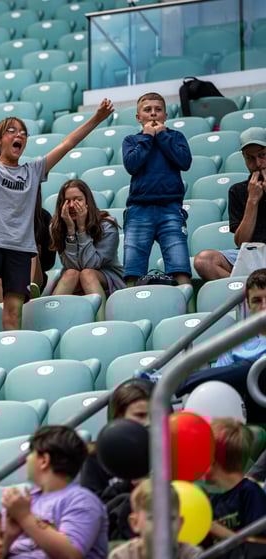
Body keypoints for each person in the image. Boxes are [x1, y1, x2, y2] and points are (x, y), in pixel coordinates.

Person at [0, 78, 113, 370]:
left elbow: (67, 143)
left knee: (13, 311)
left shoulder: (33, 170)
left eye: (24, 133)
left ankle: (12, 364)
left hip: (20, 249)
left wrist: (96, 118)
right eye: (12, 131)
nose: (20, 136)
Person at [175, 268, 266, 424]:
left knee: (255, 368)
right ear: (249, 306)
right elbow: (217, 381)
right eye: (257, 301)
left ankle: (176, 382)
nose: (264, 306)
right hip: (242, 414)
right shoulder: (236, 343)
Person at [2, 425, 108, 559]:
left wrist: (25, 517)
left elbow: (70, 555)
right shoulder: (23, 501)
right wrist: (9, 536)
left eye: (31, 454)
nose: (26, 460)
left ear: (44, 461)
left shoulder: (82, 500)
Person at [122, 92, 192, 286]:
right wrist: (147, 137)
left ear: (166, 115)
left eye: (158, 109)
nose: (153, 114)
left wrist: (161, 135)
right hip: (139, 210)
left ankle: (187, 310)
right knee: (132, 271)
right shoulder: (131, 140)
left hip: (170, 208)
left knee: (180, 267)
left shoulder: (176, 136)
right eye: (147, 110)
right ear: (138, 117)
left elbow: (184, 162)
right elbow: (132, 165)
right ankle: (129, 312)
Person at [81, 379, 152, 542]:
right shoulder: (96, 456)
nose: (148, 422)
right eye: (140, 415)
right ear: (119, 416)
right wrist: (130, 485)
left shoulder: (166, 450)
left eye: (152, 415)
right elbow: (92, 509)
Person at [194, 127, 266, 280]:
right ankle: (249, 294)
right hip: (252, 252)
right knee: (204, 260)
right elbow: (242, 242)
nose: (258, 164)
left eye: (262, 155)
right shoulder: (238, 191)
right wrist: (252, 200)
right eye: (250, 158)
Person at [49, 178, 124, 320]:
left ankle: (101, 322)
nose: (72, 205)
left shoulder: (107, 225)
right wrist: (71, 231)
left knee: (87, 273)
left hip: (107, 275)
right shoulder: (58, 227)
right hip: (75, 275)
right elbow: (73, 266)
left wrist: (82, 230)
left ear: (87, 202)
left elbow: (91, 264)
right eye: (67, 201)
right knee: (71, 273)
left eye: (78, 200)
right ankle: (53, 320)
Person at [204, 418, 266, 550]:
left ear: (214, 459)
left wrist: (216, 530)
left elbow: (260, 545)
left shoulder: (249, 492)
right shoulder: (211, 499)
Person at [108, 479, 202, 559]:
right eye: (153, 519)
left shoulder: (192, 555)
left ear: (180, 523)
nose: (163, 527)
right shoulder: (121, 556)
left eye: (170, 519)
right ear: (135, 523)